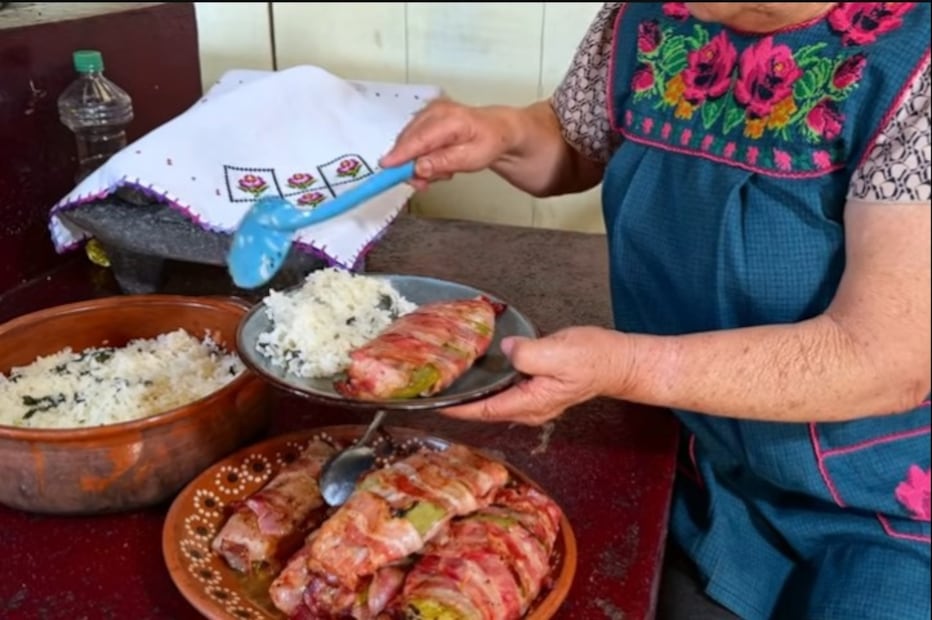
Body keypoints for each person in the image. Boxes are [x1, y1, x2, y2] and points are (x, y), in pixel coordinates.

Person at [380, 2, 931, 619]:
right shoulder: (647, 17)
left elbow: (886, 357)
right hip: (684, 449)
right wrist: (503, 133)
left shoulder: (916, 65)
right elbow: (575, 146)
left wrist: (628, 367)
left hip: (871, 502)